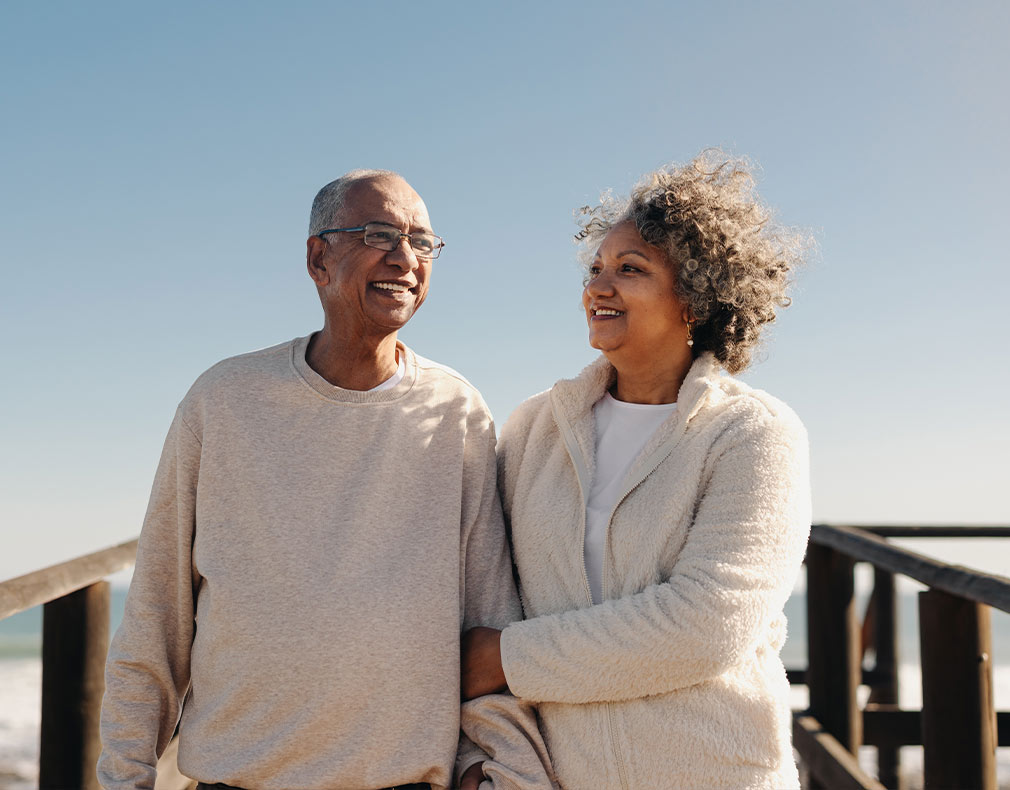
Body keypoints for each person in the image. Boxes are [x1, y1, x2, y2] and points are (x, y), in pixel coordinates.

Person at [99, 170, 554, 790]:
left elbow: (488, 617)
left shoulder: (457, 411)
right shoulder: (224, 400)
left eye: (422, 242)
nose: (405, 258)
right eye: (379, 234)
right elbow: (156, 617)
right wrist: (126, 777)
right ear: (319, 259)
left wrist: (499, 769)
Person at [461, 152, 812, 789]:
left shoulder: (754, 433)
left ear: (697, 299)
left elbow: (709, 625)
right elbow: (491, 598)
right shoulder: (533, 429)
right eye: (596, 269)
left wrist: (505, 659)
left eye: (630, 269)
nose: (599, 286)